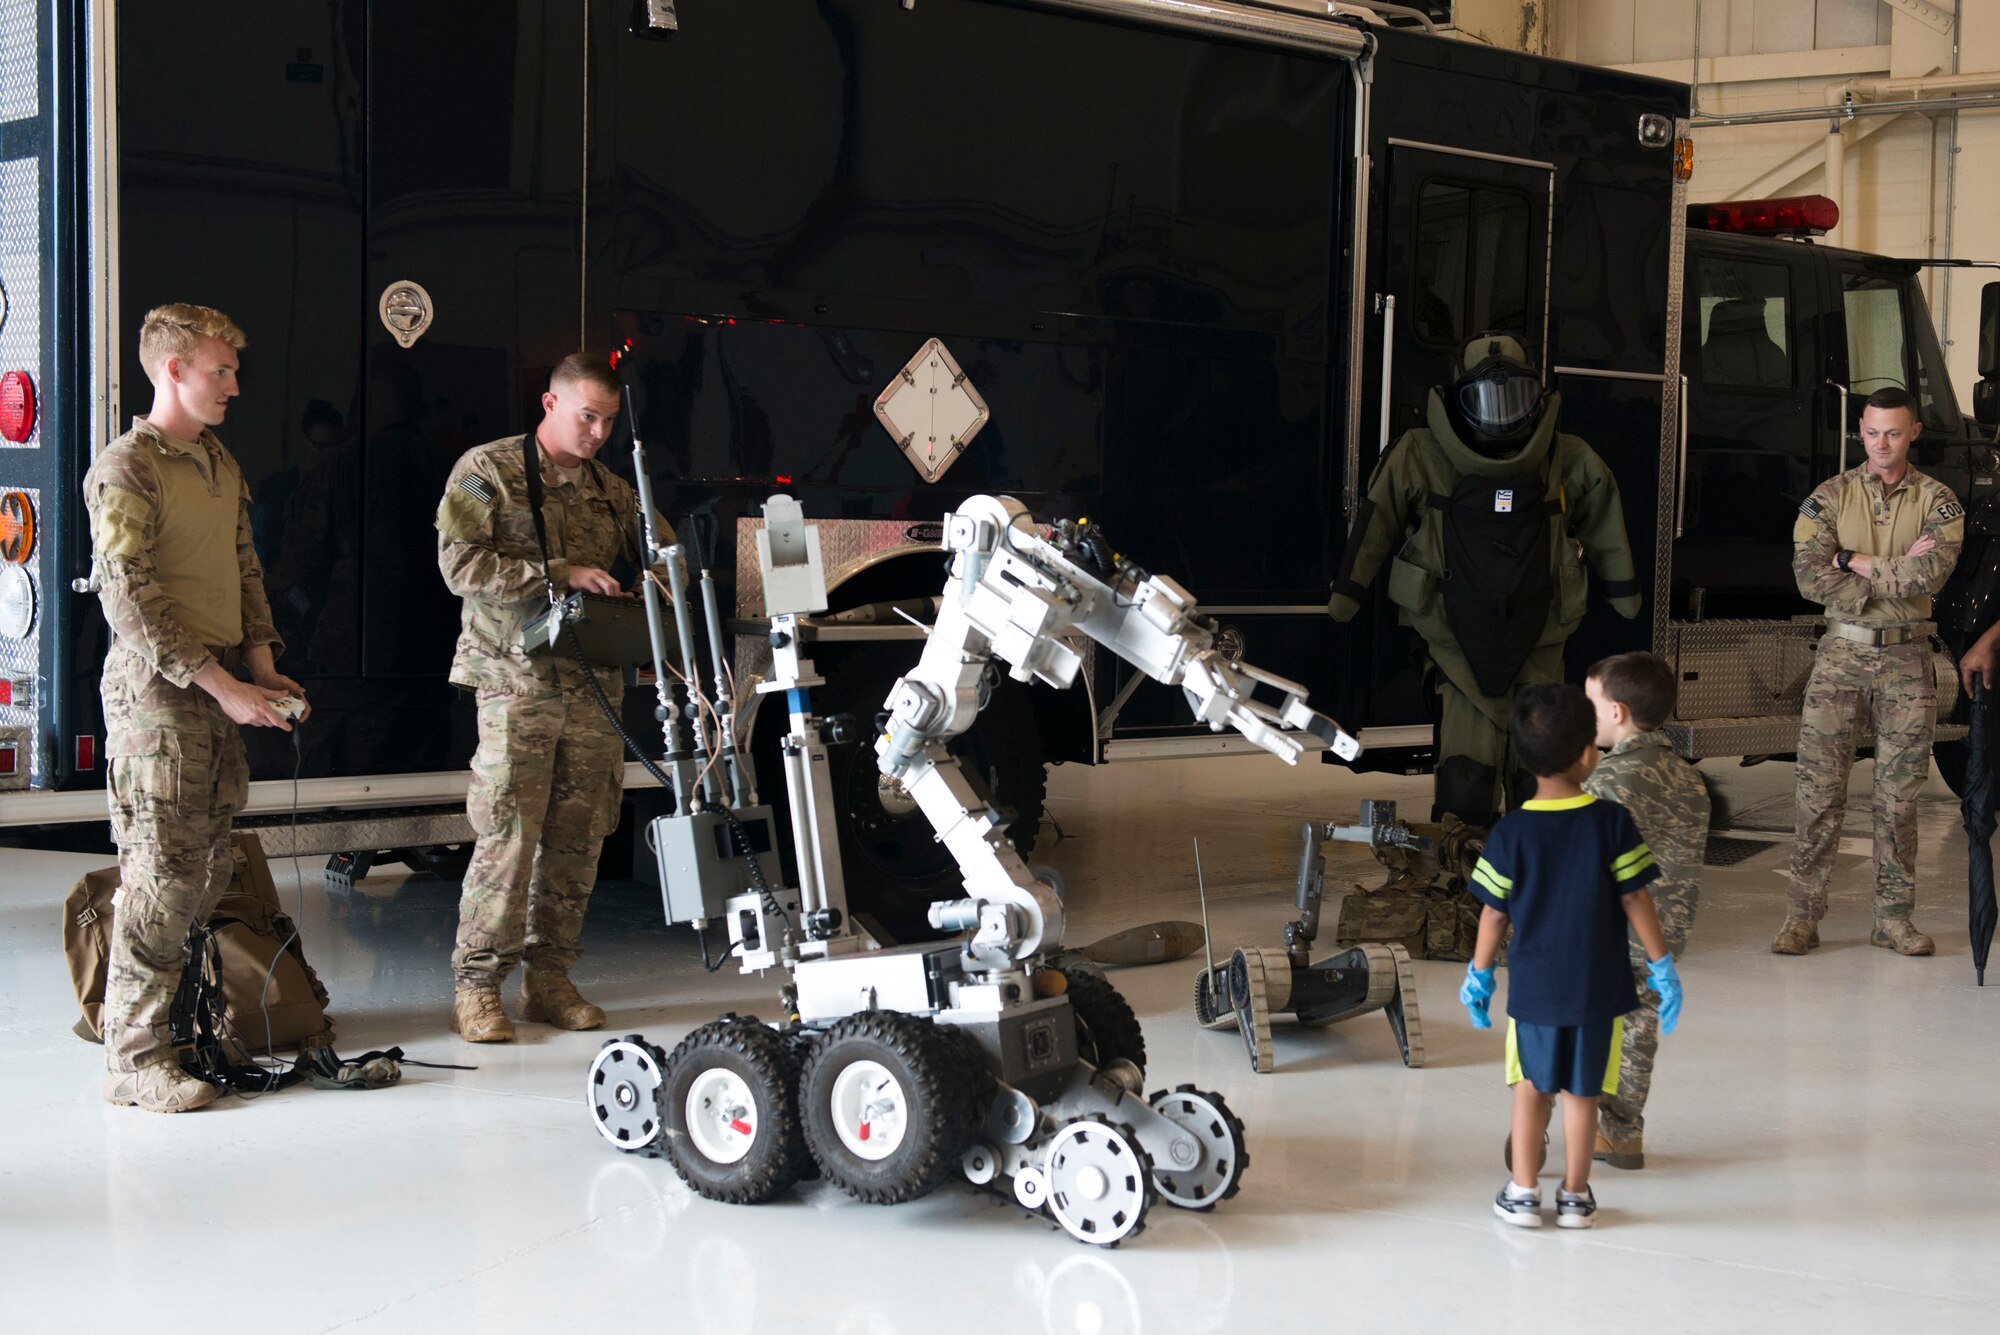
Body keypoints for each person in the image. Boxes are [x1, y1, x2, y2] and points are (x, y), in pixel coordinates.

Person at [84, 303, 305, 1112]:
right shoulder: (126, 468)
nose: (234, 387)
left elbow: (244, 568)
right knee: (161, 877)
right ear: (171, 370)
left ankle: (180, 1029)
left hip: (220, 692)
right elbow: (128, 599)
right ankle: (132, 1058)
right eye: (221, 371)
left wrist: (261, 665)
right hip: (160, 699)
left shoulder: (217, 461)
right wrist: (220, 683)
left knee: (208, 871)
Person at [437, 352, 672, 1042]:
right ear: (550, 404)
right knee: (509, 835)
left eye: (607, 419)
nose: (598, 431)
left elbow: (667, 555)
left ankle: (549, 979)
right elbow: (460, 563)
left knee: (577, 839)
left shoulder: (612, 489)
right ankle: (478, 986)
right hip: (517, 686)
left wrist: (650, 593)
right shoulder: (487, 472)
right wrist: (561, 572)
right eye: (586, 416)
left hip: (593, 687)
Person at [1328, 333, 1642, 828]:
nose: (1502, 415)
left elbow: (1375, 522)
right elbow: (1377, 523)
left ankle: (1473, 881)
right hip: (1488, 639)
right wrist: (1623, 591)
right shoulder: (1559, 456)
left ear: (1535, 402)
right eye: (1488, 400)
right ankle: (1524, 875)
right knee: (1518, 761)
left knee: (1486, 767)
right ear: (1459, 401)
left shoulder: (1565, 456)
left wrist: (1348, 593)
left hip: (1498, 638)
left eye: (1514, 399)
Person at [1458, 683, 1681, 1229]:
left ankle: (1523, 1191)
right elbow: (1635, 896)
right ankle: (1577, 1197)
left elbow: (1494, 913)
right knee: (1583, 1094)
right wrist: (1661, 964)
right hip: (1599, 992)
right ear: (1588, 752)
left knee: (1531, 1088)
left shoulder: (1511, 832)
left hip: (1534, 993)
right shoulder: (1611, 823)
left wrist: (1479, 973)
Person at [1778, 386, 1963, 957]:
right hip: (1841, 657)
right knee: (1817, 792)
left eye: (1895, 433)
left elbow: (1928, 577)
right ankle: (1801, 919)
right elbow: (1809, 578)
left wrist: (1849, 558)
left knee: (1900, 799)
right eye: (1873, 432)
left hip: (1909, 659)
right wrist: (1891, 568)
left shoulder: (1938, 500)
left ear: (1914, 433)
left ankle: (1893, 919)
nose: (1882, 444)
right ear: (1860, 429)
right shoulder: (1829, 496)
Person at [1582, 651, 1711, 1170]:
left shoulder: (1612, 781)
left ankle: (1559, 1117)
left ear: (1616, 713)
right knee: (1638, 1025)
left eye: (1590, 704)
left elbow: (1587, 858)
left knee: (1583, 1025)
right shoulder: (1687, 777)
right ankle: (1623, 1133)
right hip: (1663, 929)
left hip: (1612, 927)